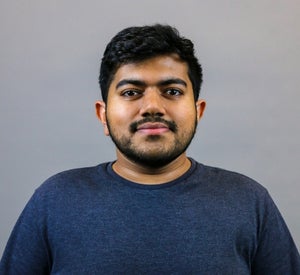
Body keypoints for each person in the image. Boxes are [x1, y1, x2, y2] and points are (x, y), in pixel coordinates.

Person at [0, 24, 299, 274]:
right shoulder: (53, 200)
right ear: (102, 114)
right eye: (131, 92)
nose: (153, 107)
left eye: (172, 91)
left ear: (199, 111)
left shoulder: (249, 201)